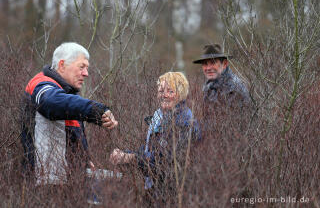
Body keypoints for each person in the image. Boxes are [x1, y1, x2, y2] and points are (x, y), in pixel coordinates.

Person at [20, 42, 118, 186]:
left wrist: (83, 160)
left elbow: (68, 136)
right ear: (61, 65)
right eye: (81, 67)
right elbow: (50, 102)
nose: (86, 73)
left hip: (66, 185)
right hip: (44, 186)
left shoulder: (67, 94)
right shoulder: (41, 84)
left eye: (87, 68)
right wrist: (96, 110)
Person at [109, 72, 201, 206]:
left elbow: (164, 162)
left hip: (175, 195)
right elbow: (150, 149)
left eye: (170, 91)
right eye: (161, 91)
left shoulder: (183, 121)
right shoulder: (160, 117)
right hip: (157, 190)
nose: (164, 95)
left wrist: (131, 158)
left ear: (180, 94)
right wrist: (125, 153)